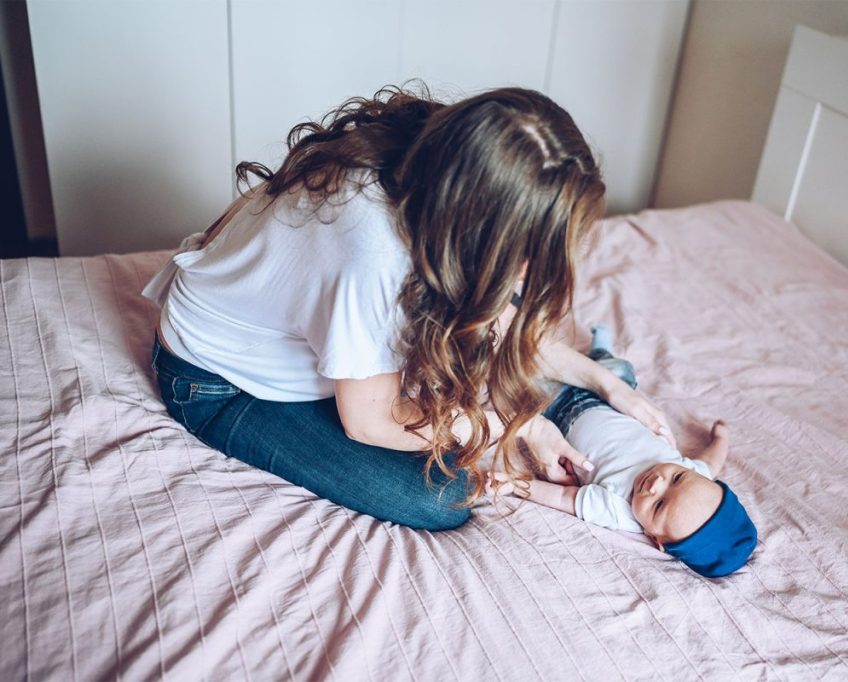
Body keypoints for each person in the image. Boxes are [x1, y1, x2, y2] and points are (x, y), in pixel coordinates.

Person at [142, 85, 677, 530]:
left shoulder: (435, 172)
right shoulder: (371, 253)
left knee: (487, 383)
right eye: (523, 253)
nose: (527, 274)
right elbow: (372, 421)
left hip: (299, 343)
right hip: (218, 382)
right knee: (445, 497)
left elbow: (494, 316)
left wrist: (607, 384)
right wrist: (512, 428)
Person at [488, 326, 757, 577]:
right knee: (619, 369)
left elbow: (561, 496)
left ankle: (489, 344)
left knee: (519, 375)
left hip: (557, 412)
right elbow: (711, 461)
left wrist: (515, 484)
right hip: (608, 397)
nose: (657, 484)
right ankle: (599, 348)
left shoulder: (618, 510)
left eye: (659, 505)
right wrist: (721, 439)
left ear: (656, 540)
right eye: (677, 479)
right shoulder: (695, 474)